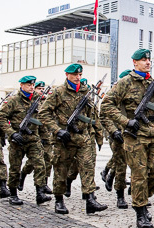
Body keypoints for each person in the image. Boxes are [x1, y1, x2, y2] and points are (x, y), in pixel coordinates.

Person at [101, 49, 154, 228]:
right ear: (134, 62)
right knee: (139, 174)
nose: (147, 62)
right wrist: (125, 122)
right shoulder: (125, 83)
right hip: (135, 136)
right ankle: (141, 211)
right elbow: (106, 105)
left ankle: (141, 196)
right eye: (143, 59)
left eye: (149, 59)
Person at [39, 64, 108, 214]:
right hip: (64, 138)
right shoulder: (58, 92)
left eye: (80, 75)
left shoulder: (85, 91)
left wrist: (97, 134)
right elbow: (44, 113)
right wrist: (57, 130)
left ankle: (90, 199)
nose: (78, 78)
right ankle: (59, 200)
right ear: (67, 75)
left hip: (83, 137)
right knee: (61, 169)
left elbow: (93, 114)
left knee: (87, 167)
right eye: (75, 75)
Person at [0, 76, 51, 206]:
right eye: (28, 85)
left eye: (33, 85)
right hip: (17, 140)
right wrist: (12, 133)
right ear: (21, 85)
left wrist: (45, 138)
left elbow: (41, 121)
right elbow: (1, 119)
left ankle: (40, 193)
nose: (32, 87)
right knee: (15, 168)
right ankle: (13, 194)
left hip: (33, 139)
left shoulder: (37, 100)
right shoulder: (14, 101)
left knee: (40, 164)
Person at [19, 81, 53, 195]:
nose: (41, 90)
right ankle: (23, 174)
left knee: (48, 159)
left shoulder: (47, 101)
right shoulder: (33, 101)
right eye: (39, 88)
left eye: (43, 88)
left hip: (46, 135)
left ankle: (44, 184)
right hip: (34, 135)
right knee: (34, 161)